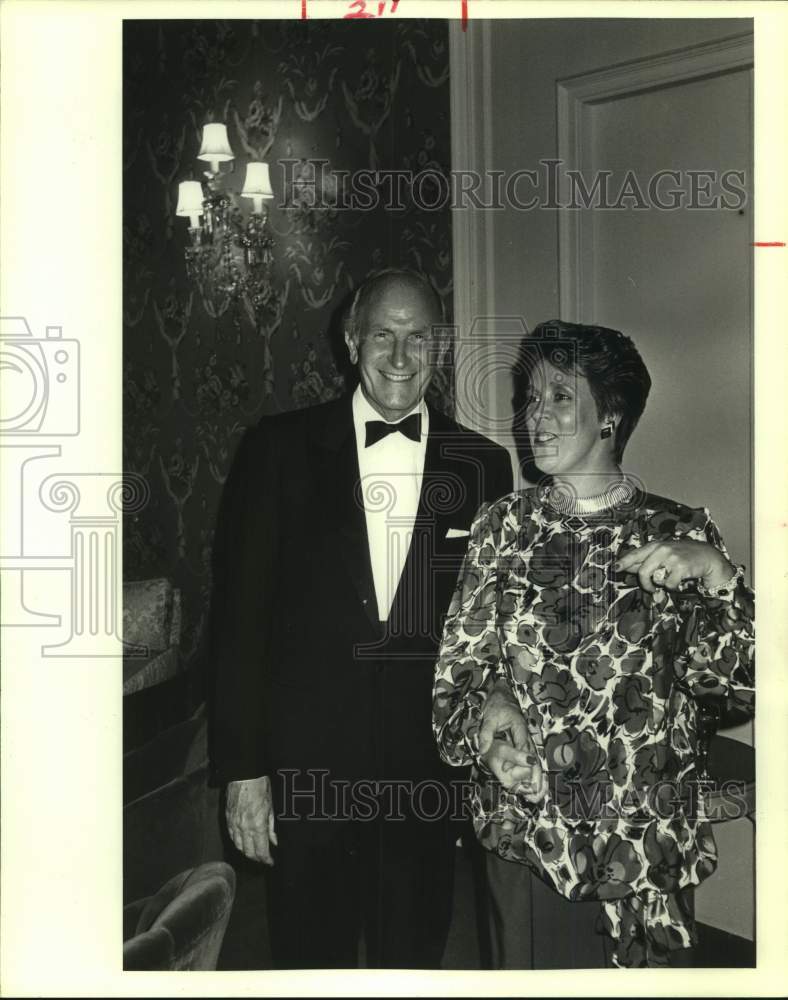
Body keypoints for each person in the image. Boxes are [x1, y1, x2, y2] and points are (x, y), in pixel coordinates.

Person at [209, 268, 513, 969]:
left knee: (415, 959)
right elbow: (239, 622)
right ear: (351, 341)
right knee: (309, 963)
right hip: (307, 774)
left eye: (417, 338)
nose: (400, 357)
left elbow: (489, 625)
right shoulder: (277, 451)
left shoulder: (484, 467)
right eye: (383, 334)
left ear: (441, 347)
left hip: (425, 775)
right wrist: (244, 774)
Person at [432, 320, 754, 969]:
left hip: (643, 849)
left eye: (558, 396)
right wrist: (489, 709)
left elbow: (743, 685)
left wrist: (719, 579)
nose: (534, 417)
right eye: (529, 397)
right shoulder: (504, 528)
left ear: (610, 414)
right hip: (527, 838)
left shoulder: (679, 532)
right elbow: (456, 679)